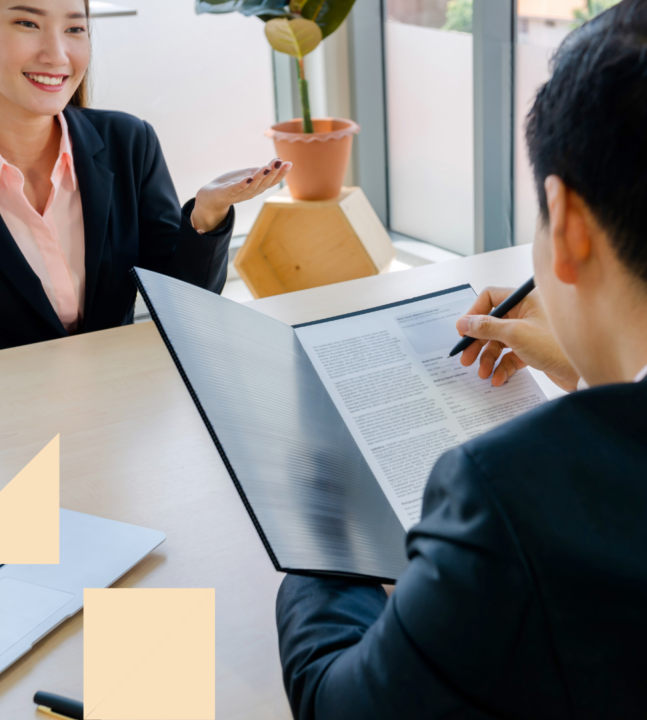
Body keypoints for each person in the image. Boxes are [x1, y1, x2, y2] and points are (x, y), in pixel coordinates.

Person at [276, 1, 647, 717]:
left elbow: (339, 705)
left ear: (567, 225)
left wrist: (320, 524)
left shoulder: (512, 498)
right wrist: (595, 377)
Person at [0, 0, 290, 364]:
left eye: (74, 28)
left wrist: (207, 215)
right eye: (27, 23)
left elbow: (183, 312)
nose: (57, 55)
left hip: (124, 407)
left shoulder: (129, 143)